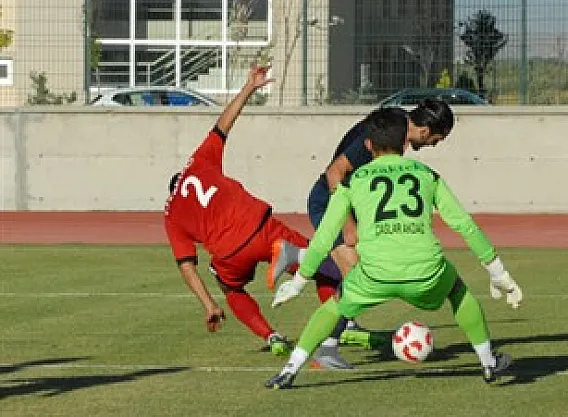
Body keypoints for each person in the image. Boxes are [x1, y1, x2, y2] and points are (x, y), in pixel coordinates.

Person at [265, 107, 523, 389]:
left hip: (374, 274)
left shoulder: (352, 182)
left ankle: (289, 370)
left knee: (335, 305)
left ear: (368, 145)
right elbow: (464, 224)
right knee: (458, 292)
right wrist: (498, 273)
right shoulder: (428, 175)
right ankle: (488, 362)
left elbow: (324, 238)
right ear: (403, 142)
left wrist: (298, 283)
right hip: (427, 272)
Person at [267, 99, 456, 369]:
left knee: (367, 267)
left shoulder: (395, 126)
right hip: (329, 201)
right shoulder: (388, 129)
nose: (434, 145)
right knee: (356, 274)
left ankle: (299, 257)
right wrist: (348, 224)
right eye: (437, 140)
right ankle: (326, 346)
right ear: (426, 131)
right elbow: (335, 173)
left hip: (351, 205)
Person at [163, 65, 333, 355]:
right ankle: (343, 327)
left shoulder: (171, 216)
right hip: (260, 227)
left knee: (231, 289)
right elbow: (223, 125)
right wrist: (249, 88)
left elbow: (186, 267)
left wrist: (209, 305)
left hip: (230, 252)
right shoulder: (197, 164)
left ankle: (271, 336)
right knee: (320, 267)